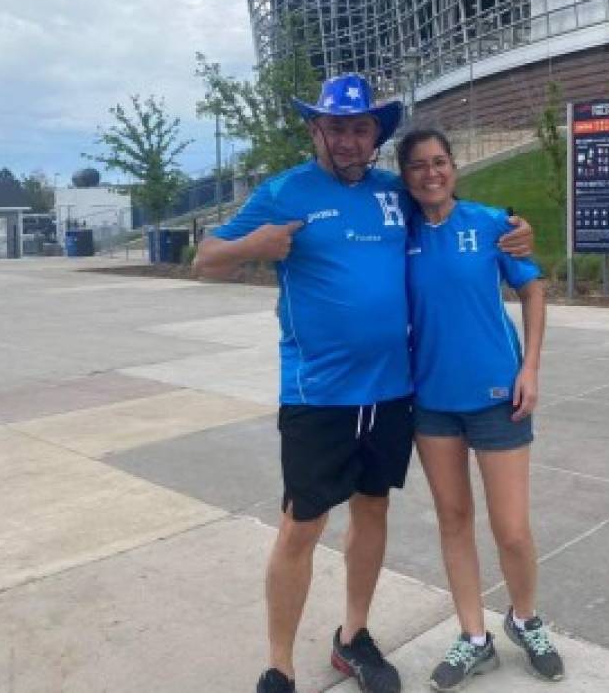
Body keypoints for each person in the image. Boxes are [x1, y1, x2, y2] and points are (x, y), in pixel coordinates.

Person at [193, 74, 532, 693]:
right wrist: (256, 245)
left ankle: (353, 637)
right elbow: (205, 257)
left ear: (375, 133)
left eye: (361, 128)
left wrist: (514, 232)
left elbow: (449, 209)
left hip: (392, 392)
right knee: (302, 524)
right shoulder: (285, 191)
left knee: (372, 512)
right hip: (318, 394)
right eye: (337, 127)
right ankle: (280, 664)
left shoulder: (392, 192)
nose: (349, 141)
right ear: (315, 129)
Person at [397, 128, 564, 690]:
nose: (430, 173)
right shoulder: (399, 234)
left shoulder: (493, 223)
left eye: (439, 162)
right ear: (405, 176)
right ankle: (473, 636)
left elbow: (534, 290)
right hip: (430, 404)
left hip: (498, 398)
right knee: (454, 519)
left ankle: (524, 617)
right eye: (417, 165)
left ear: (454, 167)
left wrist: (531, 367)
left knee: (512, 529)